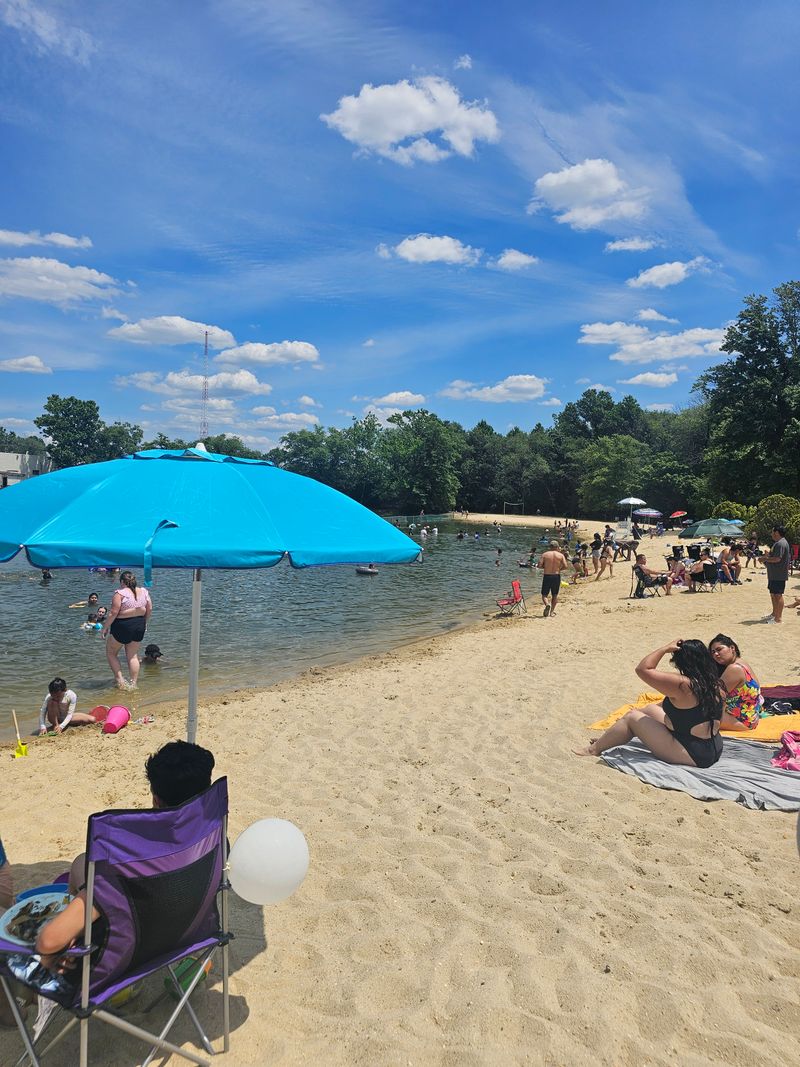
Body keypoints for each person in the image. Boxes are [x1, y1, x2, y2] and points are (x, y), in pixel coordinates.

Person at [35, 742, 216, 976]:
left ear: (156, 799)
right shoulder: (213, 839)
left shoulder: (127, 859)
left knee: (82, 865)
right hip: (184, 932)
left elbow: (48, 941)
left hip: (124, 957)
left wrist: (62, 939)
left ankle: (80, 940)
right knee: (83, 865)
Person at [575, 639, 723, 767]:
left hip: (694, 754)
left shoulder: (684, 684)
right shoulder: (714, 682)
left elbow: (643, 669)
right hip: (713, 746)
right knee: (650, 709)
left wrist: (665, 648)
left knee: (632, 717)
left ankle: (593, 750)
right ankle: (609, 738)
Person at [103, 570, 152, 688]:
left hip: (123, 625)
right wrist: (145, 622)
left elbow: (113, 612)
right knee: (133, 655)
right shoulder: (144, 591)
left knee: (111, 653)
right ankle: (133, 684)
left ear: (122, 582)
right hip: (139, 624)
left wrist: (105, 628)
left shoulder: (120, 593)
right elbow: (149, 608)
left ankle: (120, 681)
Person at [708, 634, 763, 731]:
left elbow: (714, 697)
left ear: (732, 648)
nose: (716, 654)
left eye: (719, 649)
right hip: (750, 717)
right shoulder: (741, 662)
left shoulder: (734, 669)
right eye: (713, 652)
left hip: (742, 721)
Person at [759, 525, 790, 623]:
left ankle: (778, 618)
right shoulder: (778, 543)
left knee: (778, 595)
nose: (771, 534)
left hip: (779, 574)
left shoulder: (780, 543)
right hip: (774, 574)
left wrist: (765, 558)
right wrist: (768, 555)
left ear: (776, 533)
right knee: (773, 594)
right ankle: (774, 614)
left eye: (772, 532)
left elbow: (777, 559)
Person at [537, 540, 568, 617]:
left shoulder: (545, 554)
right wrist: (558, 569)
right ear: (557, 547)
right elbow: (565, 566)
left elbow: (539, 565)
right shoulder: (561, 555)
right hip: (556, 576)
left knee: (544, 595)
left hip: (547, 575)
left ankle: (547, 604)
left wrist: (546, 567)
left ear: (550, 547)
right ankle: (551, 612)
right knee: (554, 595)